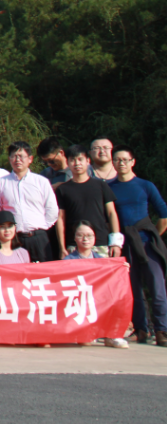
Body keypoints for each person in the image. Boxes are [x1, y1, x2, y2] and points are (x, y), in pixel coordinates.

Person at [108, 146, 167, 347]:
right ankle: (141, 329)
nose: (121, 163)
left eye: (125, 159)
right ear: (113, 163)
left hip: (147, 243)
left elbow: (163, 215)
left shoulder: (145, 185)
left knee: (157, 288)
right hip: (124, 244)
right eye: (117, 160)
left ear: (133, 162)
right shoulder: (109, 187)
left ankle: (162, 330)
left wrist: (153, 236)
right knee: (132, 290)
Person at [62, 221, 130, 349]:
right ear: (74, 238)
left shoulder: (103, 261)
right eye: (80, 235)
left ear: (95, 238)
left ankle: (111, 335)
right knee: (85, 342)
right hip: (79, 304)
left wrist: (122, 270)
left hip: (99, 301)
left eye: (89, 235)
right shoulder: (67, 261)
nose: (85, 239)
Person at [0, 142, 59, 262]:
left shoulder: (41, 181)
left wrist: (41, 227)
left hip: (39, 238)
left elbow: (52, 209)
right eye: (14, 156)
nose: (17, 160)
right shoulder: (1, 183)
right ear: (9, 159)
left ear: (30, 159)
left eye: (21, 156)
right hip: (14, 238)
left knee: (43, 271)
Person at [54, 144, 122, 259]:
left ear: (88, 161)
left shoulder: (101, 185)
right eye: (72, 160)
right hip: (75, 245)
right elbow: (60, 218)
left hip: (101, 243)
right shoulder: (63, 189)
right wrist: (62, 247)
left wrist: (116, 243)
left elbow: (111, 213)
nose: (77, 163)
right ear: (68, 163)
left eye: (80, 159)